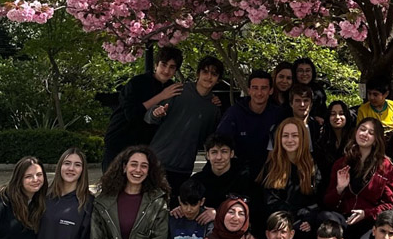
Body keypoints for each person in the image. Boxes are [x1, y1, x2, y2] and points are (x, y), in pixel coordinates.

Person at [146, 54, 225, 200]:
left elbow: (207, 140)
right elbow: (150, 117)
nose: (209, 77)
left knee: (173, 210)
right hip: (157, 161)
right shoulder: (178, 91)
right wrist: (156, 113)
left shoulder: (214, 108)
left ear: (218, 79)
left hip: (183, 168)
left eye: (214, 74)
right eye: (205, 72)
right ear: (198, 73)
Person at [102, 45, 183, 170]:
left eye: (172, 67)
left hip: (145, 146)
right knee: (113, 184)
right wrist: (161, 96)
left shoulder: (172, 88)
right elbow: (132, 114)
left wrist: (212, 99)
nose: (166, 71)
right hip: (119, 140)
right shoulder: (137, 83)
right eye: (163, 65)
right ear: (156, 65)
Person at [324, 118, 393, 239]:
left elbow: (389, 205)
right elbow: (328, 203)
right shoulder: (342, 164)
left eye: (371, 132)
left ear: (376, 139)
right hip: (344, 219)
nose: (365, 134)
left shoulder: (386, 168)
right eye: (362, 129)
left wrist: (366, 213)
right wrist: (339, 189)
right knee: (325, 219)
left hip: (370, 222)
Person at [258, 117, 322, 239]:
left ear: (303, 138)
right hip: (279, 223)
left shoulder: (312, 166)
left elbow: (317, 200)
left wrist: (308, 219)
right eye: (285, 136)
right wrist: (294, 220)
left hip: (304, 224)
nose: (290, 140)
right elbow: (271, 203)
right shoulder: (271, 167)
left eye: (295, 136)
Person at [216, 70, 287, 176]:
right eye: (255, 88)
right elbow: (220, 143)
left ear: (271, 90)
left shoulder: (278, 114)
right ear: (249, 90)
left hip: (269, 172)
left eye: (264, 88)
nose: (259, 93)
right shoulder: (234, 113)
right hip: (237, 171)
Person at [189, 133, 262, 228]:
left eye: (224, 151)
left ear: (231, 154)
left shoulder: (245, 180)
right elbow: (188, 205)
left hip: (236, 232)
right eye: (214, 152)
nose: (219, 157)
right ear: (207, 155)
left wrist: (219, 214)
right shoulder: (196, 181)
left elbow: (255, 211)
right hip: (202, 231)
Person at [315, 99, 356, 178]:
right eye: (333, 114)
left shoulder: (354, 139)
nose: (337, 117)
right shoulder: (322, 140)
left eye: (341, 114)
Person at [283, 83, 323, 151]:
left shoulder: (317, 127)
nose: (302, 104)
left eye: (306, 100)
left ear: (311, 104)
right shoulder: (282, 127)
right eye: (298, 101)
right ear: (291, 104)